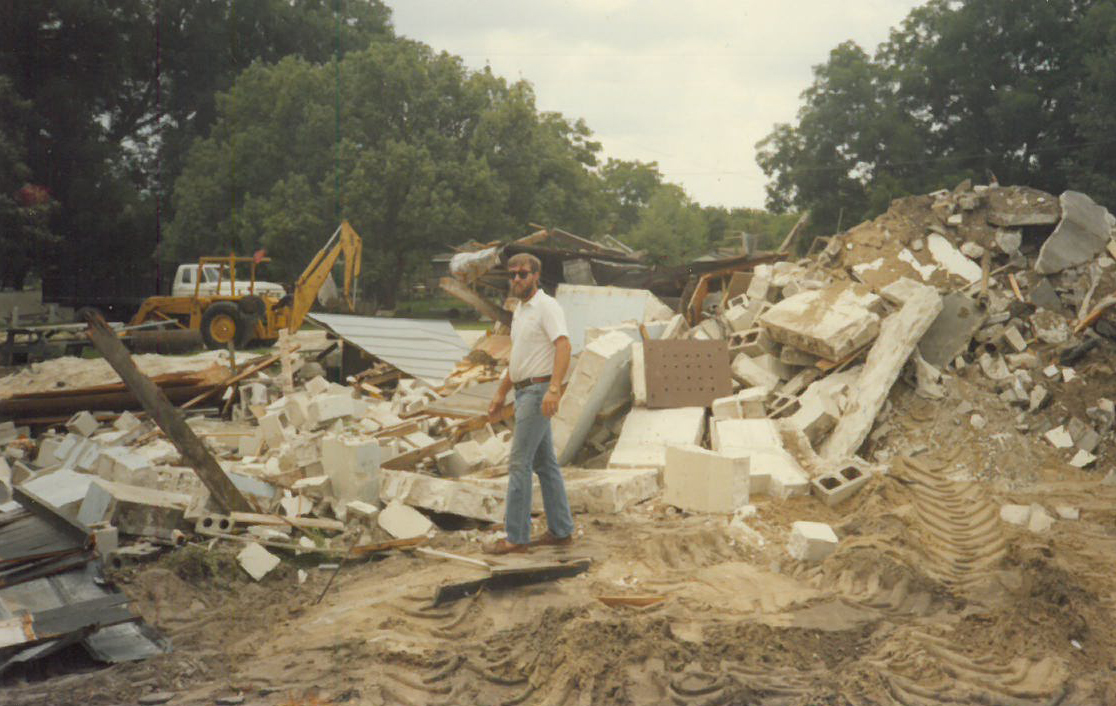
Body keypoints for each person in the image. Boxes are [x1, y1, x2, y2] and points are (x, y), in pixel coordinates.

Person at [484, 253, 576, 555]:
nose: (516, 280)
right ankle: (561, 531)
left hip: (538, 393)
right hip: (523, 391)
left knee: (519, 463)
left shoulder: (546, 307)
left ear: (536, 275)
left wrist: (554, 389)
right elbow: (518, 359)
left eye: (523, 274)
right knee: (544, 464)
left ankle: (516, 537)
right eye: (512, 275)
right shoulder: (521, 310)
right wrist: (500, 393)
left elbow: (563, 345)